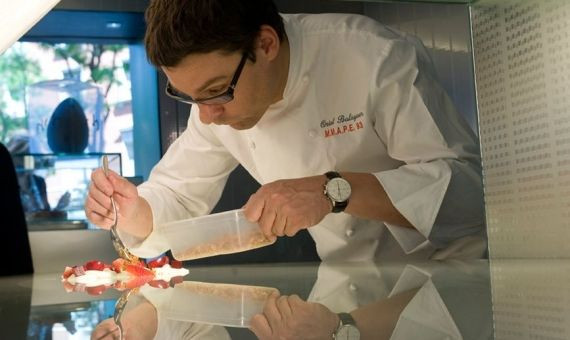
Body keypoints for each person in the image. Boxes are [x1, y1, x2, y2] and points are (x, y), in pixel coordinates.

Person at [85, 0, 485, 261]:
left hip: (445, 281)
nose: (207, 116)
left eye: (216, 92)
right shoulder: (213, 103)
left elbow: (468, 194)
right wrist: (134, 211)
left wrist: (332, 190)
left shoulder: (373, 56)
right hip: (343, 292)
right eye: (190, 98)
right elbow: (176, 194)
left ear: (265, 44)